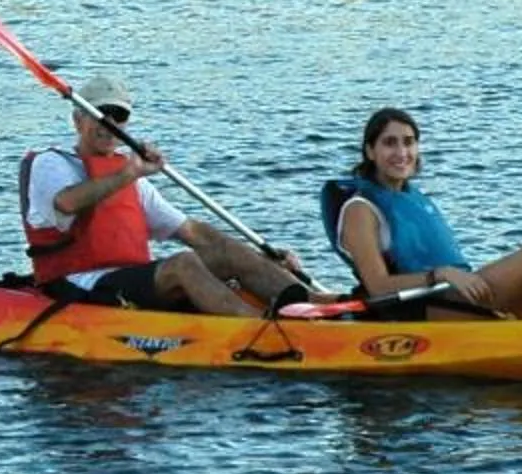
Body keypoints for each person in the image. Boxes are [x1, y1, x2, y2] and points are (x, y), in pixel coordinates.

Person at [22, 76, 310, 316]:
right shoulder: (53, 163)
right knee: (183, 264)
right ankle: (261, 329)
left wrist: (253, 258)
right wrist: (129, 174)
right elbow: (66, 202)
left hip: (129, 278)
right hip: (80, 282)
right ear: (78, 120)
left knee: (225, 248)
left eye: (118, 116)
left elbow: (190, 231)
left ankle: (312, 305)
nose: (109, 124)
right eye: (101, 115)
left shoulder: (129, 173)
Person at [326, 107, 522, 318]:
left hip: (455, 296)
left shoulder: (409, 197)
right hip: (423, 310)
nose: (402, 152)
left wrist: (449, 277)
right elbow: (377, 286)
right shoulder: (360, 210)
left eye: (409, 142)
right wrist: (439, 275)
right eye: (389, 144)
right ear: (370, 151)